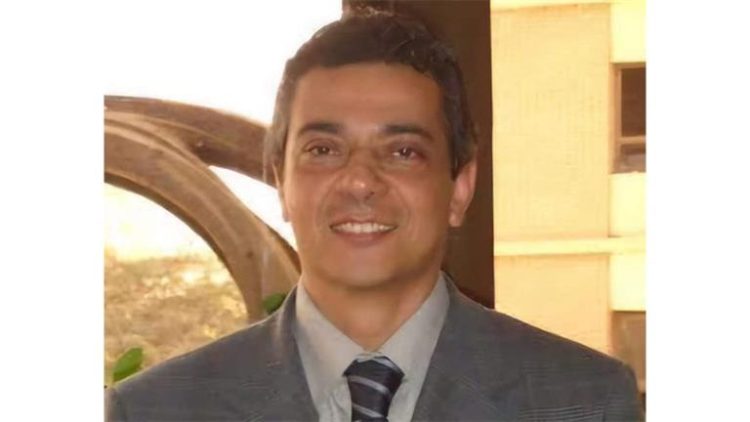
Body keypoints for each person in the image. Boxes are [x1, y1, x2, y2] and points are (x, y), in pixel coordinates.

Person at [106, 8, 643, 422]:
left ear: (459, 188)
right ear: (282, 184)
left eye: (403, 151)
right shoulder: (153, 410)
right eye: (323, 150)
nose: (360, 180)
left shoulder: (586, 403)